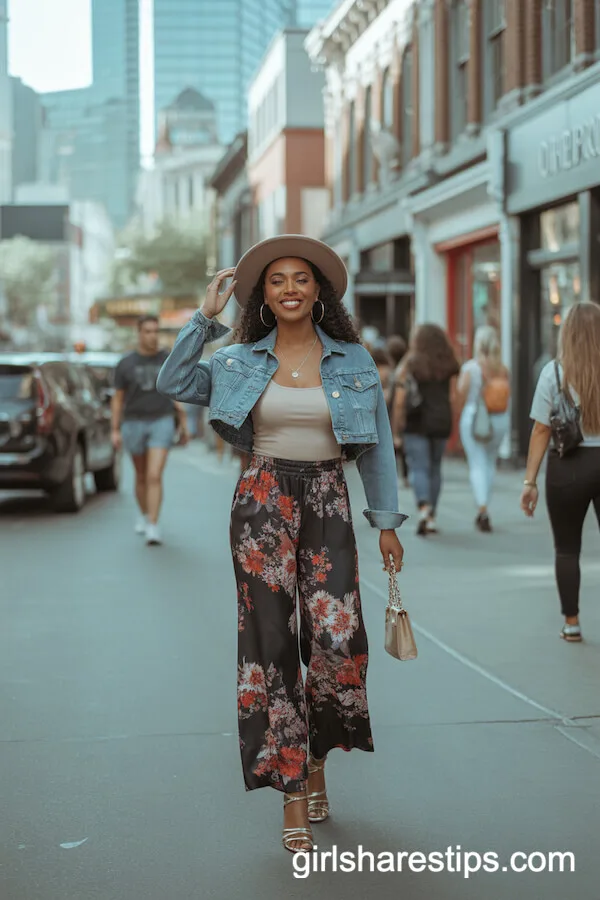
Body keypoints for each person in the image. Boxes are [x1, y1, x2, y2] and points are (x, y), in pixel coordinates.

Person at [156, 235, 407, 853]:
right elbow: (174, 379)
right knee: (270, 644)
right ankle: (292, 786)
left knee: (336, 639)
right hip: (262, 500)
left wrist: (388, 524)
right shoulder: (238, 358)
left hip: (328, 499)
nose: (290, 288)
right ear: (261, 296)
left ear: (319, 290)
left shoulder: (353, 360)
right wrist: (205, 317)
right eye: (277, 281)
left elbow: (376, 448)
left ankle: (318, 753)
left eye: (301, 278)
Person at [521, 302, 600, 644]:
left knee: (567, 549)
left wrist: (530, 481)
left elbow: (541, 430)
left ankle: (572, 622)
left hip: (567, 465)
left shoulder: (553, 373)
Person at [111, 315, 189, 546]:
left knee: (154, 475)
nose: (152, 336)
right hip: (133, 422)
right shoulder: (125, 363)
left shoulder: (167, 358)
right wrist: (114, 429)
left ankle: (153, 525)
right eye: (147, 331)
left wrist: (183, 422)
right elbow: (117, 400)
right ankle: (144, 514)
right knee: (141, 474)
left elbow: (177, 391)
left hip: (161, 420)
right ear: (139, 333)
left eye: (155, 331)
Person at [391, 324, 459, 536]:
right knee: (435, 468)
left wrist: (396, 428)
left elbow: (400, 398)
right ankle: (432, 516)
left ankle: (423, 509)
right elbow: (454, 397)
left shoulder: (411, 363)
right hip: (441, 421)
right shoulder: (450, 363)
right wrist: (454, 421)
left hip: (416, 422)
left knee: (419, 467)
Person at [457, 326, 511, 533]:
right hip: (499, 418)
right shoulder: (502, 369)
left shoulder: (471, 368)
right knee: (490, 462)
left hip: (475, 418)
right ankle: (485, 504)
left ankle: (482, 508)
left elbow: (461, 395)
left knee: (477, 463)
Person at [386, 335, 409, 485]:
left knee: (395, 445)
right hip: (406, 414)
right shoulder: (403, 369)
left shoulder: (398, 372)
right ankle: (404, 476)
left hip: (396, 413)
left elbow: (397, 400)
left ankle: (398, 476)